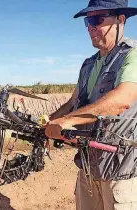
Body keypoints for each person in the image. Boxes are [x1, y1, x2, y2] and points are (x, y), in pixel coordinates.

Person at [45, 0, 137, 209]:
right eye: (88, 21)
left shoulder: (133, 55)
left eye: (97, 19)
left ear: (120, 20)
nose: (90, 27)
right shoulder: (88, 64)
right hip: (87, 167)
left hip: (121, 172)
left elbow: (122, 100)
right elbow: (72, 103)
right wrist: (50, 121)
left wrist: (67, 121)